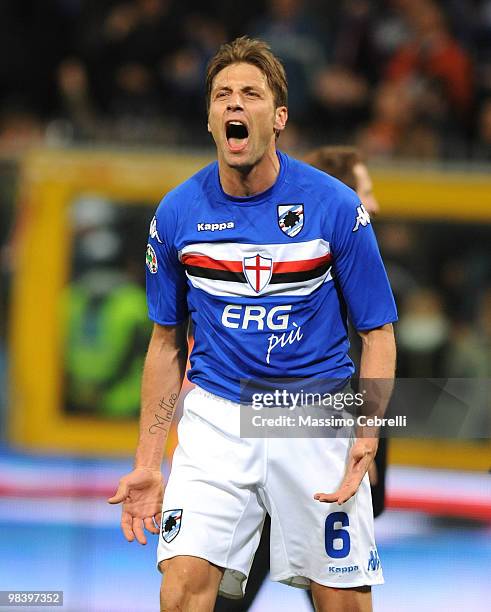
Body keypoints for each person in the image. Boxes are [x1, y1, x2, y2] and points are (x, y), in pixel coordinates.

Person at [108, 36, 397, 612]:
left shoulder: (336, 207)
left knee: (342, 602)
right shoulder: (175, 214)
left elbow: (377, 332)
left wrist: (367, 433)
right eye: (222, 95)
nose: (234, 104)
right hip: (216, 419)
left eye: (250, 94)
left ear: (279, 117)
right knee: (181, 589)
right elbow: (166, 343)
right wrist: (147, 462)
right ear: (211, 118)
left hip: (314, 417)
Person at [213, 145, 387, 612]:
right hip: (297, 445)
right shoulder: (313, 271)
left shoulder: (360, 269)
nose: (374, 204)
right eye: (364, 191)